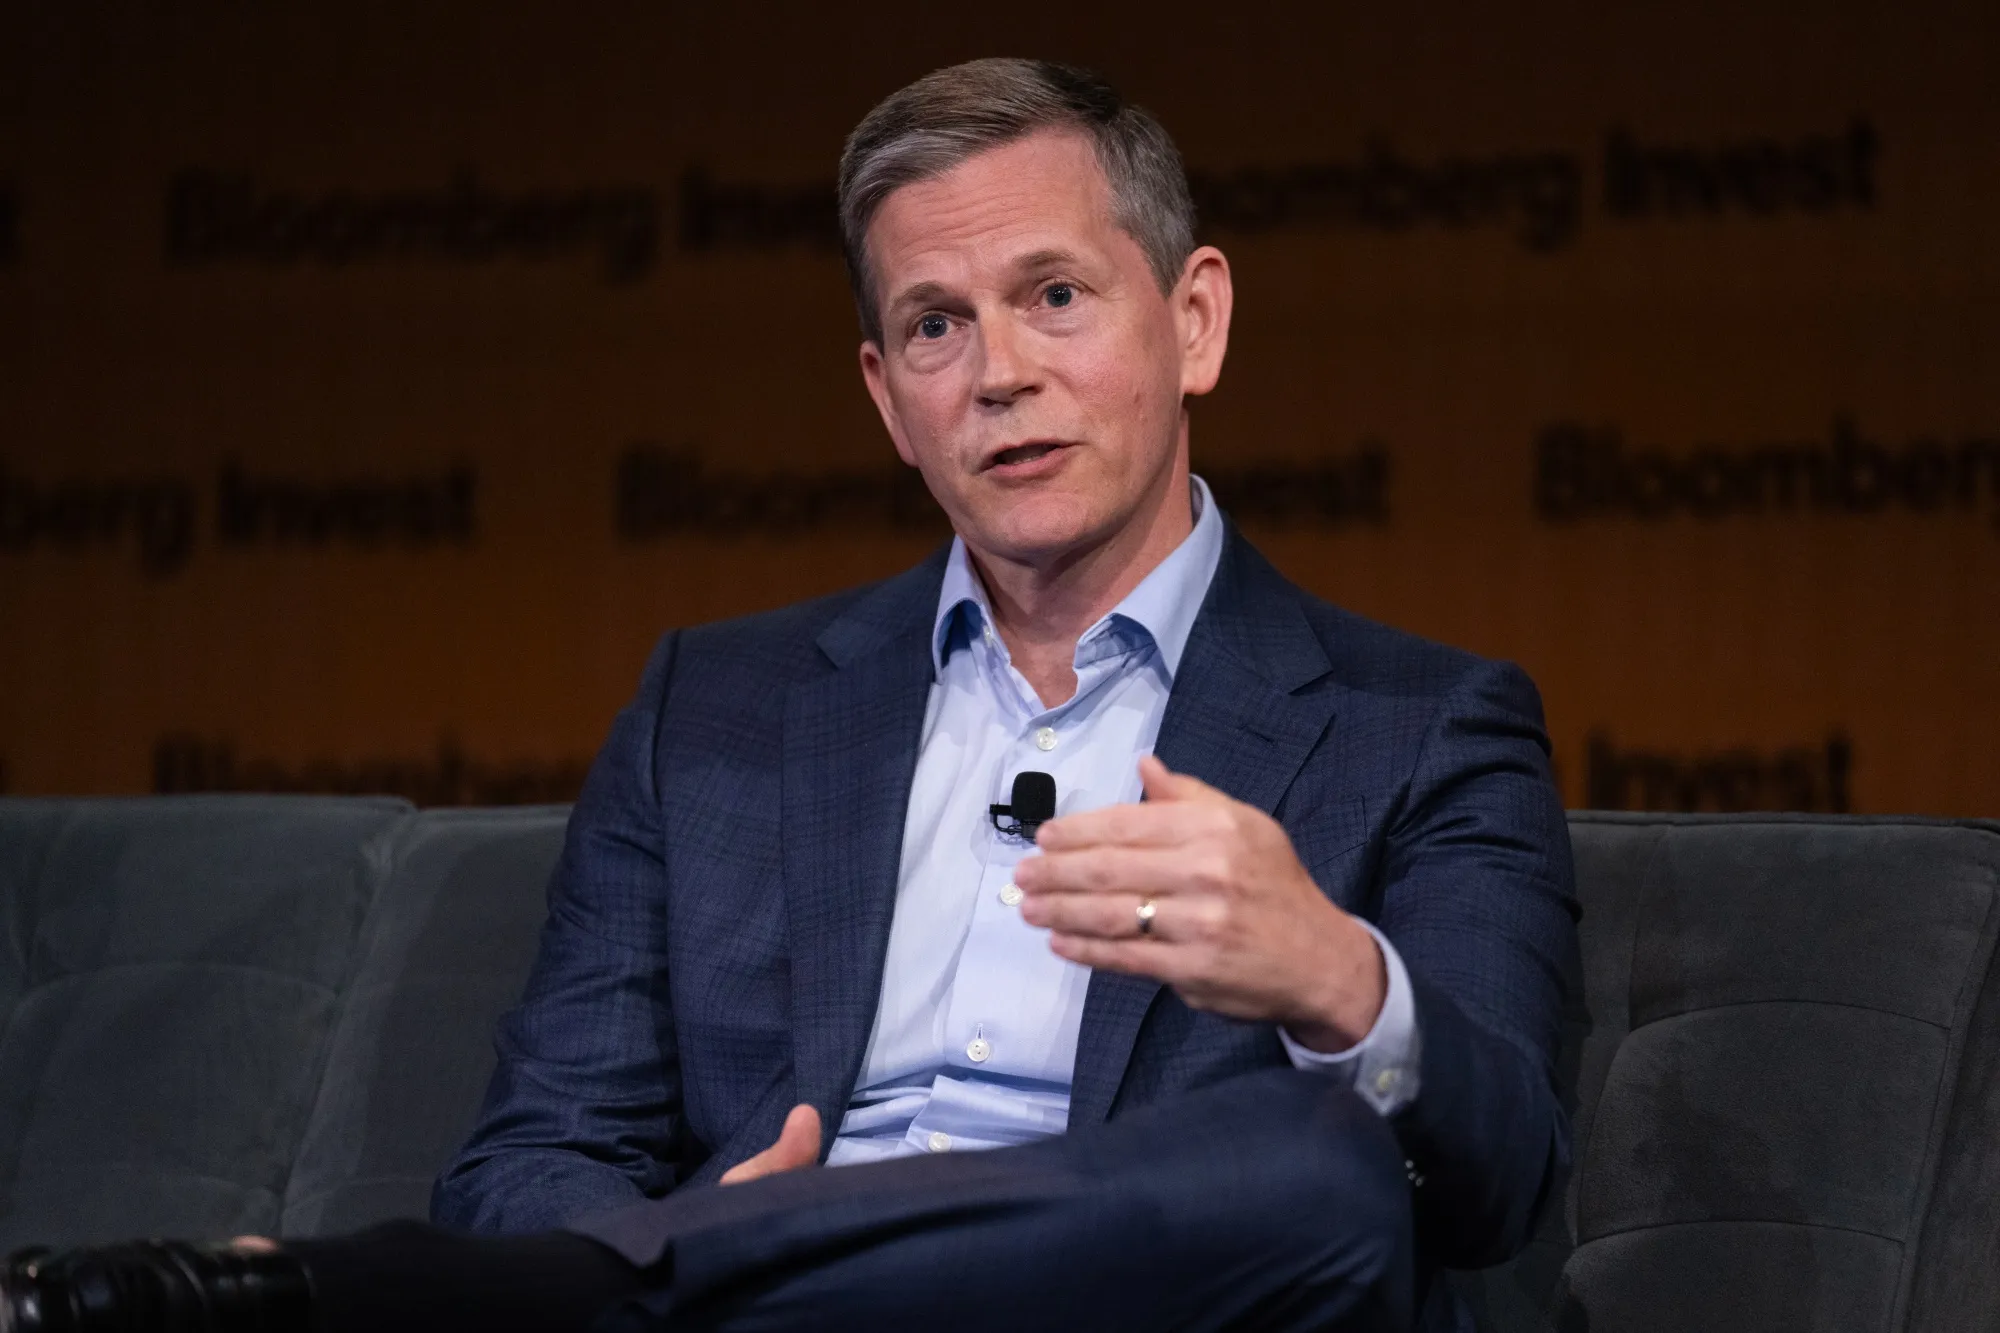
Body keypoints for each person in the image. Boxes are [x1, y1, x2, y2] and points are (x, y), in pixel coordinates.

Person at [1, 58, 1576, 1333]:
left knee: (1315, 1172)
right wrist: (719, 1226)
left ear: (1195, 320)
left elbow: (1500, 1176)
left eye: (1055, 296)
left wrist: (1332, 977)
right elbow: (536, 1156)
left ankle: (297, 1307)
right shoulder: (718, 710)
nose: (999, 372)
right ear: (889, 400)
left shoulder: (1423, 725)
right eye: (936, 325)